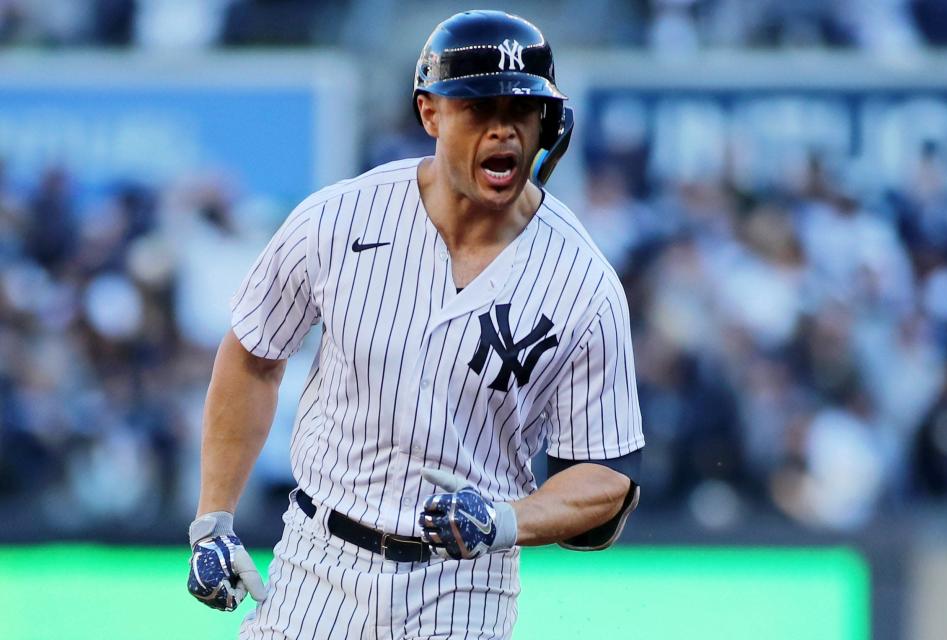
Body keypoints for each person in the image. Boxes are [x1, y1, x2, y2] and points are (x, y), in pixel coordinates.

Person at [186, 10, 645, 639]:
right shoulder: (338, 219)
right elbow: (253, 356)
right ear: (430, 113)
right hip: (319, 562)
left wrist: (503, 521)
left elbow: (607, 478)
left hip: (464, 585)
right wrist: (213, 519)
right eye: (480, 109)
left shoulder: (583, 282)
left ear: (548, 122)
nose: (503, 131)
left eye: (522, 111)